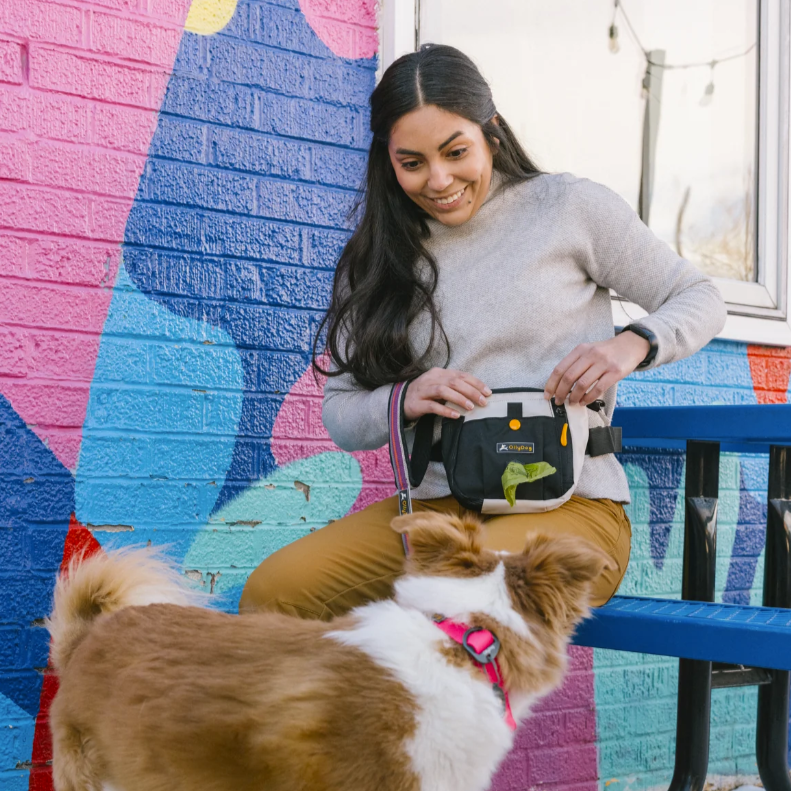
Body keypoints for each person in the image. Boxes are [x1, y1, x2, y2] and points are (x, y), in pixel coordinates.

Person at [239, 44, 727, 619]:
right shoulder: (374, 260)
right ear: (387, 160)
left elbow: (701, 297)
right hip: (437, 516)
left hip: (571, 509)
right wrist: (403, 399)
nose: (439, 180)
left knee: (465, 596)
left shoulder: (570, 207)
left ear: (491, 132)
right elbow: (341, 415)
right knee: (276, 592)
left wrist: (630, 344)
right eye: (413, 162)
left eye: (456, 151)